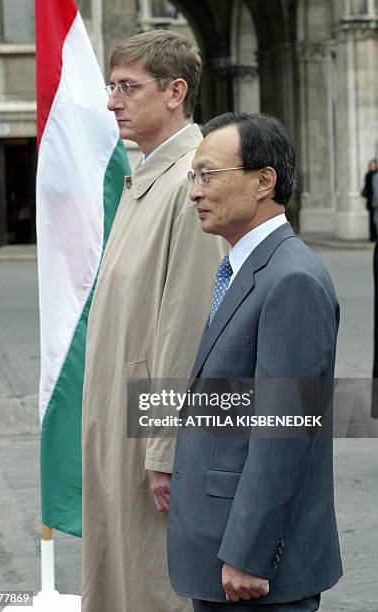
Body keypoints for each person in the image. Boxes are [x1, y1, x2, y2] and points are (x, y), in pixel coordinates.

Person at [168, 112, 343, 611]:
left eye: (209, 175)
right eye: (192, 177)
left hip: (255, 573)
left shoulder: (291, 280)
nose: (195, 192)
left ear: (264, 180)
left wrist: (249, 553)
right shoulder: (243, 268)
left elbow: (283, 433)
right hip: (222, 557)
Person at [81, 30, 224, 612]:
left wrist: (166, 450)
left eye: (128, 87)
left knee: (151, 586)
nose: (113, 100)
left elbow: (188, 325)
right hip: (119, 422)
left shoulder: (195, 179)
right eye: (111, 86)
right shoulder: (148, 176)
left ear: (176, 92)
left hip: (148, 435)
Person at [362, 159, 378, 241]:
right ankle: (372, 237)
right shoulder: (368, 175)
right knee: (372, 220)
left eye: (373, 165)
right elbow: (367, 187)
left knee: (375, 219)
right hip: (371, 201)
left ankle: (376, 236)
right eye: (371, 165)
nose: (372, 166)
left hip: (375, 200)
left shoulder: (376, 175)